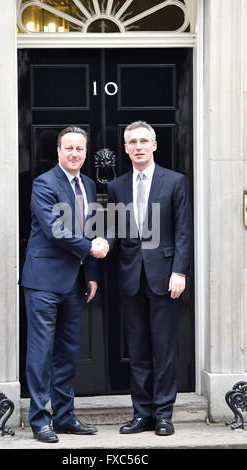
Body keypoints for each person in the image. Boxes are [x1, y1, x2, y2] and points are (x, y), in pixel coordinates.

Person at [20, 126, 109, 443]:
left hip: (76, 282)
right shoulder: (44, 184)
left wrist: (94, 272)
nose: (75, 153)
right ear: (58, 151)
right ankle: (39, 420)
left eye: (80, 149)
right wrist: (91, 248)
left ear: (86, 153)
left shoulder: (87, 183)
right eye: (69, 148)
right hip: (44, 281)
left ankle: (65, 417)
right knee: (41, 354)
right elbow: (56, 229)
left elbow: (91, 230)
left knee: (67, 353)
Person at [107, 121, 192, 436]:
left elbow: (183, 229)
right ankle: (142, 414)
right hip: (131, 277)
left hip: (165, 277)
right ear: (126, 148)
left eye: (144, 141)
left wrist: (179, 271)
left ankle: (164, 414)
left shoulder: (174, 182)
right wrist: (101, 242)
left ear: (154, 145)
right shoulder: (117, 186)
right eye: (132, 142)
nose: (138, 146)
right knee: (138, 350)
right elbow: (114, 228)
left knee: (164, 348)